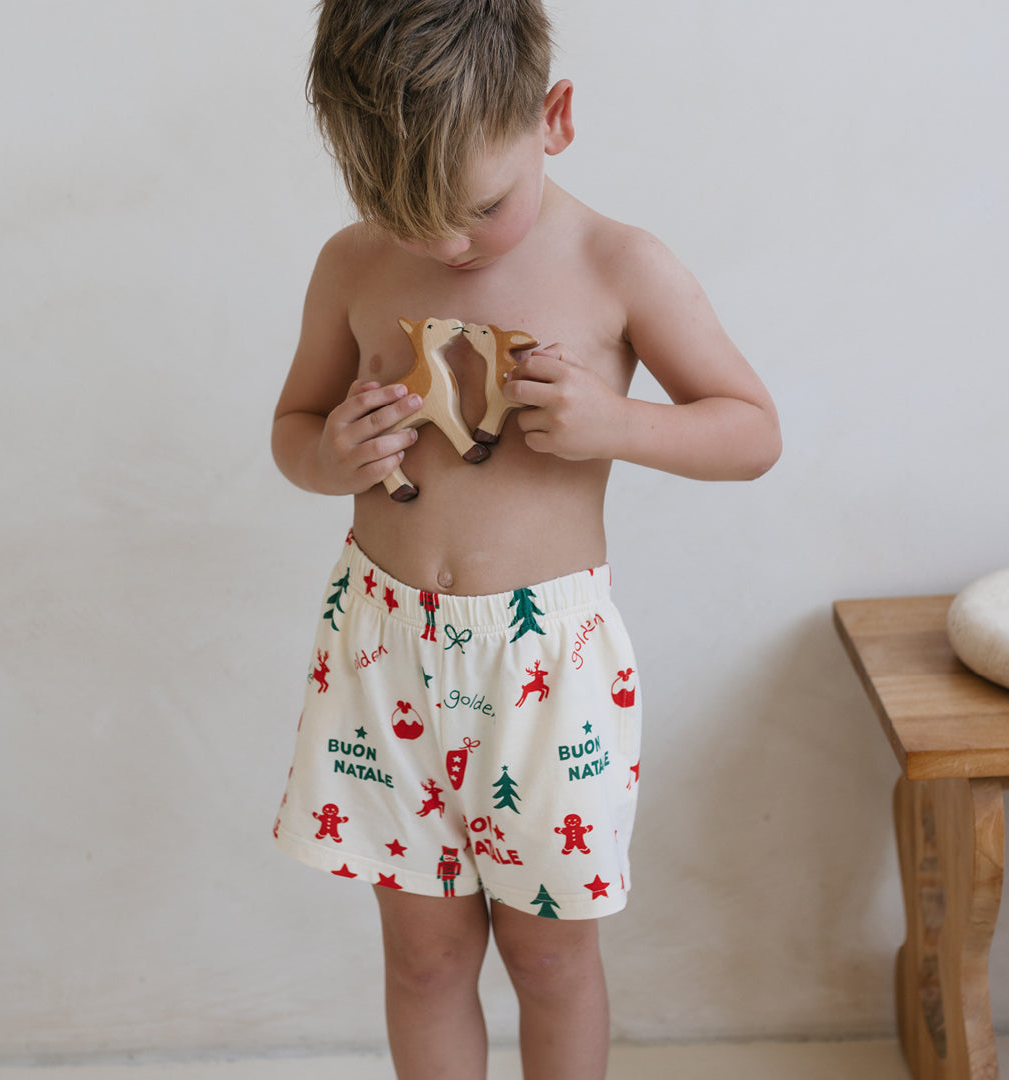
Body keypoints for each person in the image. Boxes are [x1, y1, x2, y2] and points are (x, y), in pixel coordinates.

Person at [270, 2, 781, 1077]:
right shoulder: (354, 264)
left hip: (546, 667)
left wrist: (615, 423)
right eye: (402, 214)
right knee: (424, 961)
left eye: (479, 209)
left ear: (554, 117)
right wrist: (331, 454)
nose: (443, 246)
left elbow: (751, 432)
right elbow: (294, 430)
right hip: (382, 652)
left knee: (549, 960)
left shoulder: (618, 264)